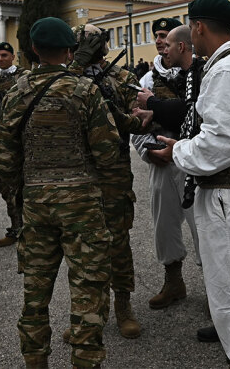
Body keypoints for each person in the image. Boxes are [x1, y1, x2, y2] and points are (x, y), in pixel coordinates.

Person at [153, 0, 230, 368]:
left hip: (229, 194)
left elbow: (224, 141)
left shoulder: (228, 71)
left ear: (198, 27)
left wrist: (178, 151)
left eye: (190, 27)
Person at [0, 17, 119, 369]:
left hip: (37, 203)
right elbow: (108, 153)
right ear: (69, 51)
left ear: (34, 50)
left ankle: (35, 361)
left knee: (35, 295)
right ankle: (85, 360)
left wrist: (18, 199)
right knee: (88, 290)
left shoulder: (16, 93)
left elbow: (5, 158)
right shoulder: (85, 91)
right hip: (82, 204)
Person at [71, 23, 148, 339]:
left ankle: (123, 305)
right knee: (81, 245)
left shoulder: (122, 77)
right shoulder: (66, 77)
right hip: (79, 171)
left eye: (93, 40)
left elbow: (140, 118)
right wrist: (77, 67)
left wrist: (118, 114)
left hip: (114, 172)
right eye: (83, 41)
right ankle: (88, 313)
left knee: (117, 241)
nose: (90, 46)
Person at [132, 23, 201, 312]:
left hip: (195, 162)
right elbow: (136, 121)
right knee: (164, 224)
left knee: (203, 224)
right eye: (157, 37)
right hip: (162, 161)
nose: (160, 42)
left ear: (180, 43)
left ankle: (217, 289)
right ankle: (173, 282)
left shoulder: (198, 74)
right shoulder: (148, 79)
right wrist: (148, 152)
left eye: (166, 37)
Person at [0, 42, 26, 247]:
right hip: (1, 139)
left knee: (24, 186)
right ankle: (16, 227)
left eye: (4, 55)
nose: (0, 59)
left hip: (20, 138)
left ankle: (29, 228)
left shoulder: (24, 76)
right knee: (6, 188)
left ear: (12, 56)